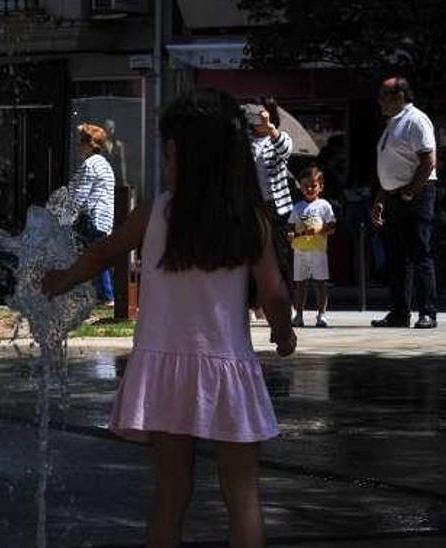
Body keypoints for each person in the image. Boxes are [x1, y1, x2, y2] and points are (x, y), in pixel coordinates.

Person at [42, 88, 297, 548]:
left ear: (177, 152)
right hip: (226, 368)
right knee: (241, 492)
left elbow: (104, 252)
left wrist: (61, 279)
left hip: (165, 372)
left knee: (170, 490)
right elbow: (275, 292)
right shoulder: (248, 218)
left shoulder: (155, 213)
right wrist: (282, 331)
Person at [370, 76, 439, 329]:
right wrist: (381, 198)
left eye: (384, 95)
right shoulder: (393, 123)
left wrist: (411, 192)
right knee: (397, 257)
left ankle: (427, 312)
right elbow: (390, 167)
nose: (380, 101)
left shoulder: (415, 120)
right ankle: (400, 312)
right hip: (393, 195)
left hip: (415, 195)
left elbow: (428, 160)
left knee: (419, 253)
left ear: (400, 96)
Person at [70, 122, 117, 306]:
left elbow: (80, 194)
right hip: (105, 218)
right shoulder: (105, 164)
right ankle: (102, 294)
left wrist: (68, 213)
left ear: (90, 144)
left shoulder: (89, 165)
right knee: (97, 255)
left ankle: (106, 295)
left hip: (94, 217)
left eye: (81, 141)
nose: (78, 146)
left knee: (95, 256)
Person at [289, 166, 336, 328]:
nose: (309, 189)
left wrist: (320, 230)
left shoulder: (324, 205)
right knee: (300, 284)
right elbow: (290, 226)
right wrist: (290, 235)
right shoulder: (297, 207)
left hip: (318, 250)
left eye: (313, 185)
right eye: (305, 185)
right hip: (300, 251)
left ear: (321, 187)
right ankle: (299, 314)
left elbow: (332, 226)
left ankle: (321, 314)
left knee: (320, 283)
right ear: (300, 187)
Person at [246, 98, 296, 224]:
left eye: (260, 114)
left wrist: (269, 127)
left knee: (279, 239)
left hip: (276, 203)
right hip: (252, 201)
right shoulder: (245, 140)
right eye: (254, 114)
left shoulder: (280, 137)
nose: (257, 119)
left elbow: (285, 149)